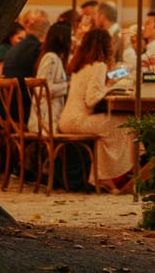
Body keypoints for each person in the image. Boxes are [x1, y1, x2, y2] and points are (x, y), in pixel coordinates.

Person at [57, 29, 135, 192]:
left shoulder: (82, 65)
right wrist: (112, 88)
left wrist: (124, 72)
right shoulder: (99, 65)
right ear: (107, 46)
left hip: (66, 119)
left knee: (112, 127)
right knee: (125, 122)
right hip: (78, 120)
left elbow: (107, 78)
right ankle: (115, 173)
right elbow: (92, 98)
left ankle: (107, 176)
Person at [4, 8, 50, 120]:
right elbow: (45, 80)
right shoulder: (36, 49)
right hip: (24, 112)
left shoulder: (14, 48)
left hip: (8, 109)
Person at [28, 21, 72, 134]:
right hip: (45, 122)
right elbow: (43, 89)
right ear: (62, 39)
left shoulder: (53, 57)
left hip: (46, 119)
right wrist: (67, 85)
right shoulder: (51, 58)